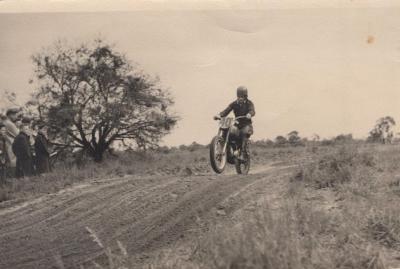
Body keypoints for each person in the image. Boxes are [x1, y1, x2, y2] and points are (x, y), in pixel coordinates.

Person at [214, 86, 256, 159]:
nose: (240, 98)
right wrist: (219, 115)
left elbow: (252, 110)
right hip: (237, 124)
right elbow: (226, 110)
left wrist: (250, 114)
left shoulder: (249, 103)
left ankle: (243, 153)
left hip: (247, 125)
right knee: (229, 131)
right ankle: (226, 151)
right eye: (239, 96)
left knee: (244, 133)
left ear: (245, 96)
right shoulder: (234, 103)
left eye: (242, 96)